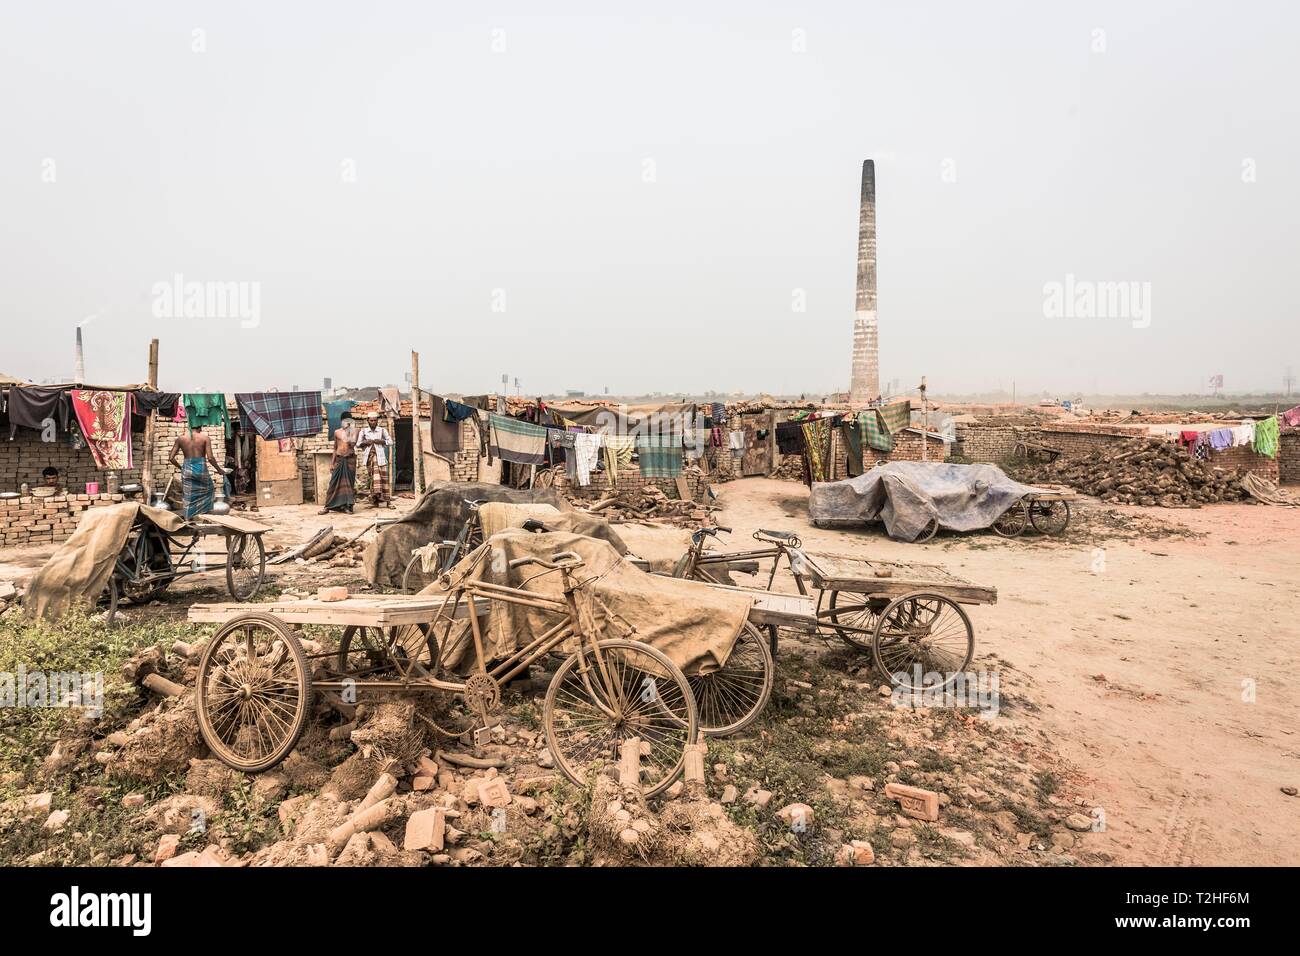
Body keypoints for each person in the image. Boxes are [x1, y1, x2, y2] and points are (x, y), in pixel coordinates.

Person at [168, 424, 227, 518]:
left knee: (188, 495)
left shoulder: (180, 439)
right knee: (209, 490)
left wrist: (181, 467)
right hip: (201, 468)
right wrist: (219, 470)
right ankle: (204, 515)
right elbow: (210, 458)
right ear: (200, 427)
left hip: (187, 469)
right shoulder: (205, 438)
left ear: (189, 427)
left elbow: (171, 458)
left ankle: (188, 518)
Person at [319, 413, 357, 514]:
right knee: (333, 483)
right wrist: (332, 463)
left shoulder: (355, 431)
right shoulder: (336, 432)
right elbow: (335, 448)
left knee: (349, 484)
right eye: (344, 420)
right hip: (339, 460)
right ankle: (328, 506)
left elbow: (353, 444)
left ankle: (347, 507)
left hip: (350, 460)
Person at [356, 413, 395, 508]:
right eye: (371, 420)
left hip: (381, 459)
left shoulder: (382, 430)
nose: (373, 422)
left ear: (377, 421)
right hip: (369, 459)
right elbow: (357, 444)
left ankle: (388, 502)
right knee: (373, 480)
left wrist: (381, 441)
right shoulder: (364, 431)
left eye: (375, 420)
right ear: (368, 421)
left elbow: (390, 442)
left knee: (384, 480)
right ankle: (374, 501)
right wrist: (365, 442)